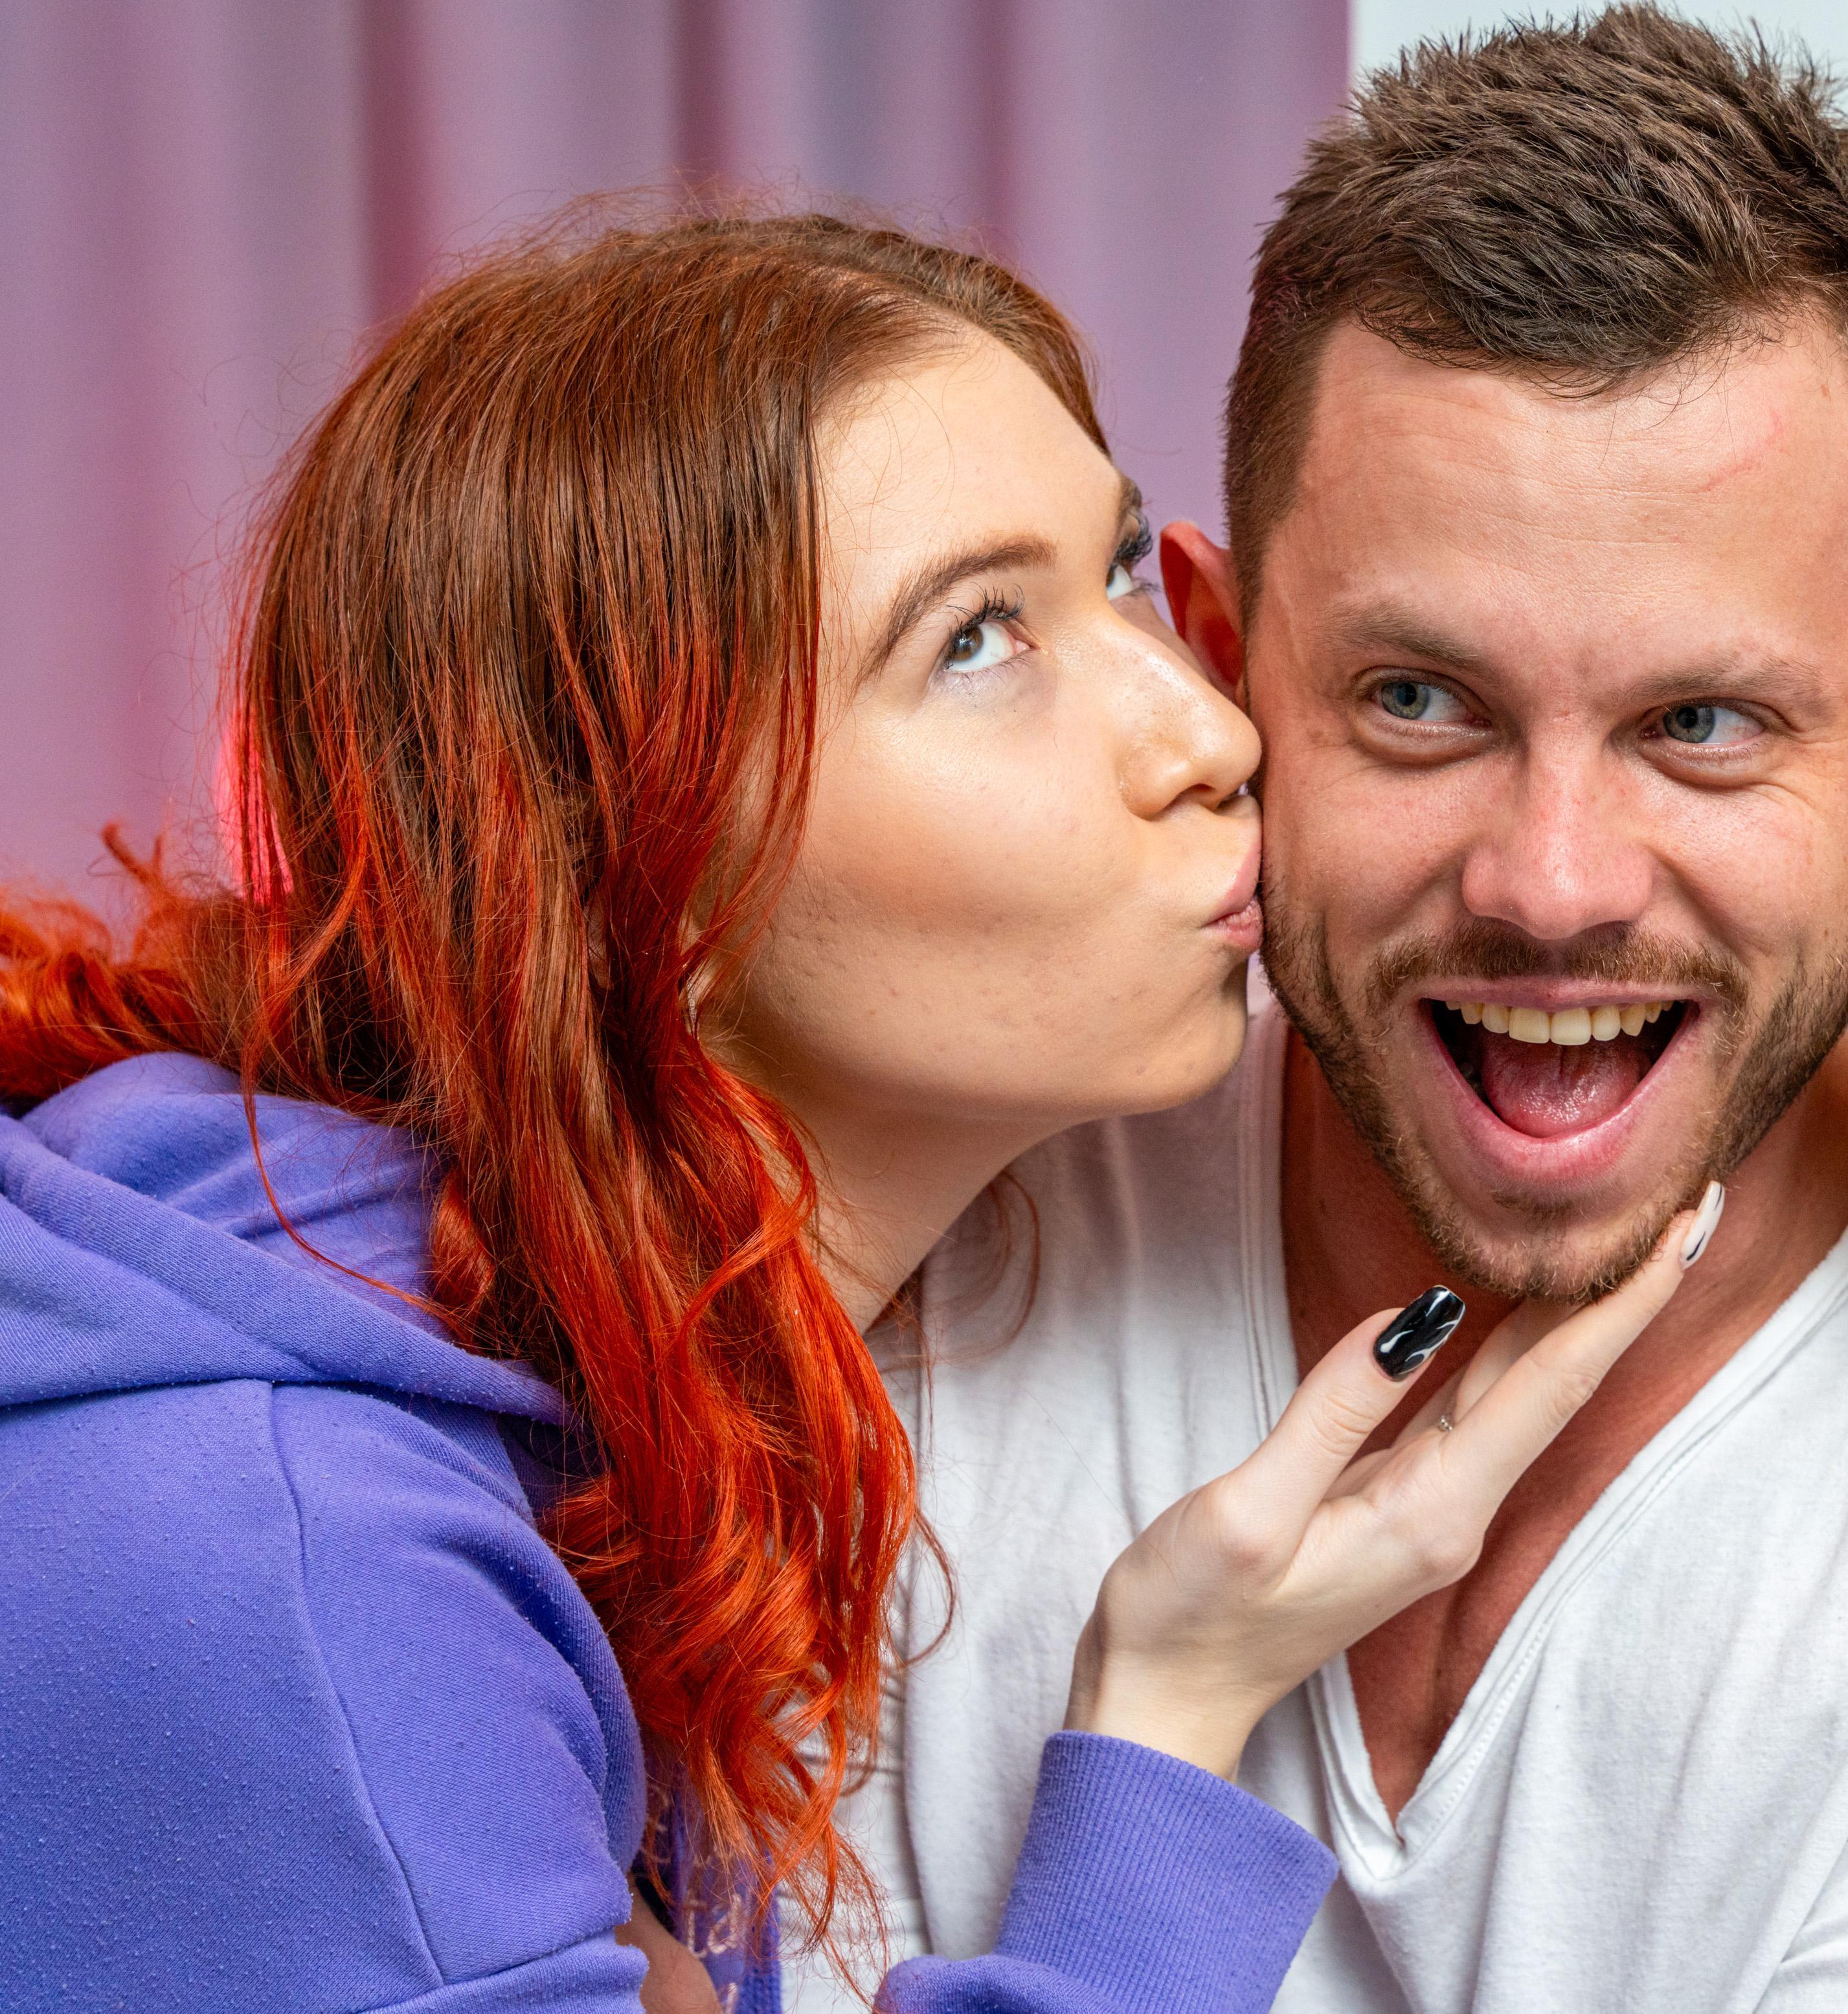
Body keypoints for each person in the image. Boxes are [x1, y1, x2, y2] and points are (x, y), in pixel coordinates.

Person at [0, 210, 1715, 2014]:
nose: (1209, 735)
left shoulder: (582, 1408)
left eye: (1116, 574)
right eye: (977, 641)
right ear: (637, 883)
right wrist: (1166, 1738)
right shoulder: (296, 1573)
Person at [830, 6, 1848, 2014]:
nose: (1552, 885)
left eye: (1702, 724)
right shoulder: (925, 1230)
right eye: (1418, 703)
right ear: (1214, 659)